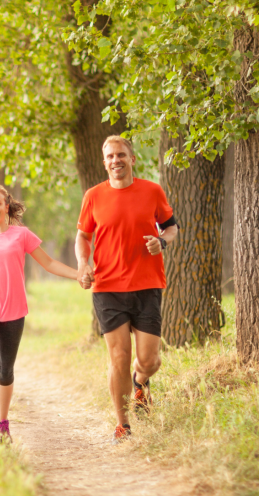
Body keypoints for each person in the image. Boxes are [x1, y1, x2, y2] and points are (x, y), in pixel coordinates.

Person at [0, 184, 80, 439]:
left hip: (14, 309)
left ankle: (3, 422)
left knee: (7, 369)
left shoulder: (21, 235)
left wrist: (78, 275)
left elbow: (49, 262)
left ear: (6, 205)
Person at [75, 135, 180, 442]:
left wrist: (161, 241)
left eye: (121, 155)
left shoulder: (152, 191)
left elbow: (171, 227)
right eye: (109, 156)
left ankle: (140, 380)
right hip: (107, 287)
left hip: (147, 285)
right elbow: (82, 236)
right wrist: (84, 264)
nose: (115, 160)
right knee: (119, 356)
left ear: (132, 159)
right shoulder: (93, 196)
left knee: (148, 360)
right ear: (104, 162)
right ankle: (123, 424)